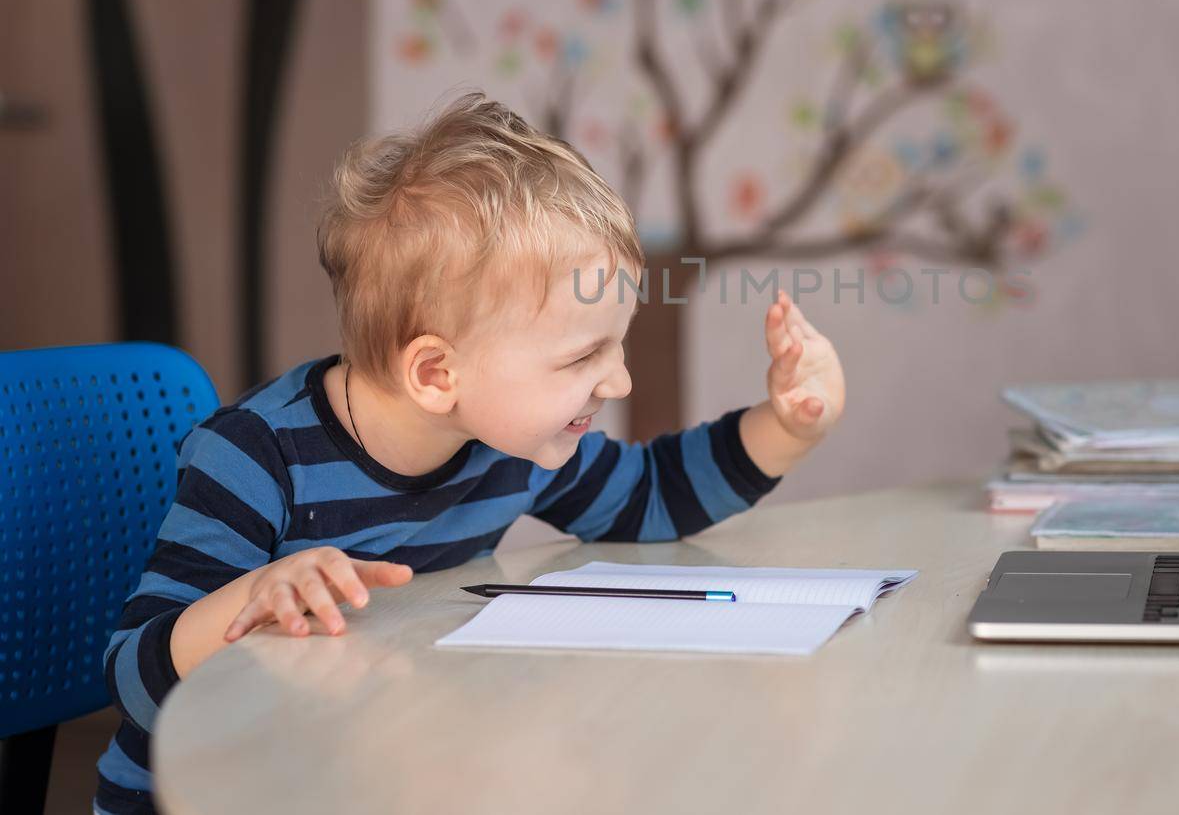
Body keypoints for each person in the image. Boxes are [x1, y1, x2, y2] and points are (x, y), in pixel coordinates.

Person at [93, 93, 846, 815]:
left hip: (371, 769)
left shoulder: (506, 445)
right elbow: (133, 673)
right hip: (211, 791)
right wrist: (249, 599)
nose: (617, 379)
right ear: (436, 374)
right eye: (583, 356)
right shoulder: (254, 458)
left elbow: (649, 495)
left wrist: (787, 425)